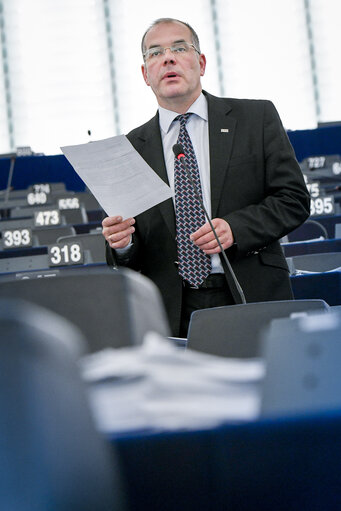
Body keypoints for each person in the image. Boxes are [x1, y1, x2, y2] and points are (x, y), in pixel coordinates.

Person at [102, 17, 310, 337]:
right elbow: (130, 251)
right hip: (171, 310)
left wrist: (236, 228)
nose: (168, 58)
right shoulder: (129, 149)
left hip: (250, 290)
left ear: (200, 63)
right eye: (155, 53)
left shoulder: (256, 118)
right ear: (145, 74)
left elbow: (294, 199)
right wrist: (123, 243)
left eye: (179, 48)